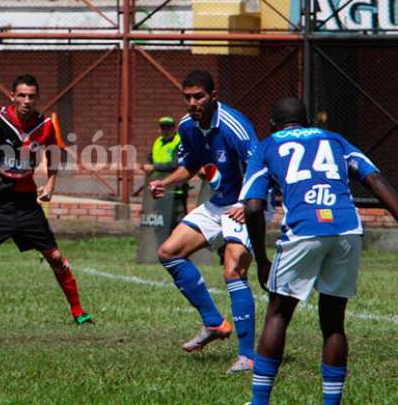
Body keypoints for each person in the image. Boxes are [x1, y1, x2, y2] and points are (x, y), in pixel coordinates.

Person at [240, 97, 398, 404]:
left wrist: (261, 259)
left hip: (304, 229)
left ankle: (260, 402)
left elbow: (253, 206)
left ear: (272, 125)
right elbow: (375, 179)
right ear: (310, 123)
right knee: (333, 321)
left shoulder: (268, 145)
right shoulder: (335, 139)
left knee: (278, 313)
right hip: (346, 228)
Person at [0, 74, 93, 325]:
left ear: (37, 98)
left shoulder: (45, 125)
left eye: (31, 96)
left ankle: (78, 312)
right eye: (22, 96)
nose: (27, 101)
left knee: (55, 257)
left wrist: (51, 183)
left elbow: (53, 156)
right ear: (12, 96)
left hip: (25, 204)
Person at [148, 69, 258, 373]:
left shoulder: (235, 126)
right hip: (219, 203)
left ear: (213, 96)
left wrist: (245, 205)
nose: (193, 102)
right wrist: (165, 183)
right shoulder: (187, 126)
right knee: (168, 253)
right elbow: (192, 165)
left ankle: (247, 356)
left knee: (233, 271)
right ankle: (214, 323)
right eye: (188, 97)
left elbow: (259, 168)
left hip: (249, 203)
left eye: (199, 96)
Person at [142, 115, 188, 228]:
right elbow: (150, 157)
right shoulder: (158, 141)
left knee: (176, 223)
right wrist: (146, 165)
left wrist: (154, 167)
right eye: (163, 128)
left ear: (174, 128)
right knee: (161, 224)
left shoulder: (179, 142)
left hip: (175, 192)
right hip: (159, 190)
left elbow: (175, 164)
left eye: (168, 128)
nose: (166, 131)